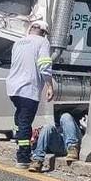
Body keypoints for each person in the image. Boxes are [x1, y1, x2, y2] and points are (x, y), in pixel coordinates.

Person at [7, 20, 55, 167]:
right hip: (29, 88)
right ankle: (23, 156)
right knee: (25, 122)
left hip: (12, 87)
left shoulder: (18, 42)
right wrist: (49, 86)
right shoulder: (42, 42)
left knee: (20, 116)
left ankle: (19, 140)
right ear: (44, 33)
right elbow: (44, 65)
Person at [28, 107, 86, 172]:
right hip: (61, 142)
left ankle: (73, 148)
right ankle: (37, 160)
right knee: (47, 127)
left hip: (74, 136)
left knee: (65, 116)